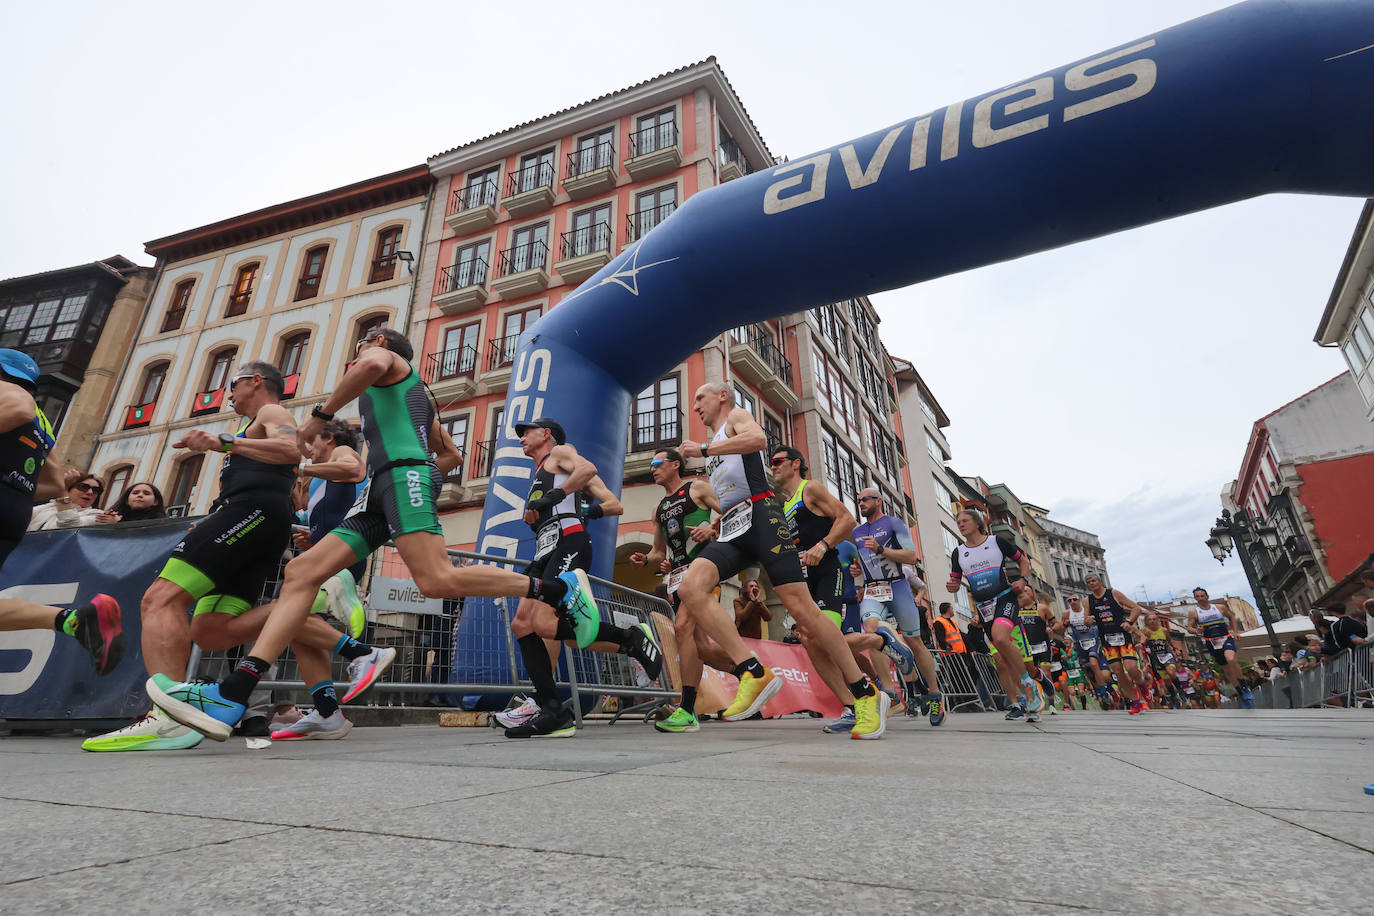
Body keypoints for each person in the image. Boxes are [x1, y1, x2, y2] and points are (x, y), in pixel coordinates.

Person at [146, 331, 602, 743]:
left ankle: (559, 589)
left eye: (361, 344)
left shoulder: (388, 364)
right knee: (303, 571)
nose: (357, 354)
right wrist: (416, 471)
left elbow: (370, 369)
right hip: (383, 489)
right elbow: (452, 453)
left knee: (437, 579)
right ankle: (237, 688)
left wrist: (323, 419)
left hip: (403, 478)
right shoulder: (407, 397)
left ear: (380, 342)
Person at [83, 361, 378, 751]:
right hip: (248, 518)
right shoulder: (249, 428)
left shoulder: (270, 412)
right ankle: (326, 618)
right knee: (212, 630)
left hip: (249, 515)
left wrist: (224, 442)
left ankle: (167, 718)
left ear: (255, 381)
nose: (228, 394)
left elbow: (290, 449)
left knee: (160, 599)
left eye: (233, 384)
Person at [676, 382, 888, 738]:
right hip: (733, 528)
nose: (695, 405)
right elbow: (730, 494)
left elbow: (758, 441)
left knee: (804, 612)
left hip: (763, 519)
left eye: (700, 397)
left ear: (722, 396)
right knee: (690, 588)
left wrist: (702, 448)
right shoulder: (716, 449)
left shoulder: (735, 420)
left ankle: (865, 694)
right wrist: (714, 524)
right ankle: (753, 671)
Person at [501, 417, 658, 739]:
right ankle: (551, 709)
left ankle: (630, 639)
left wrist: (557, 500)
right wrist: (537, 513)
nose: (520, 438)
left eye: (525, 432)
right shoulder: (541, 471)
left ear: (545, 434)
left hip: (568, 542)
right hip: (546, 548)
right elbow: (602, 503)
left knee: (544, 624)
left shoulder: (560, 453)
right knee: (521, 624)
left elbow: (589, 474)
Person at [0, 347, 125, 677]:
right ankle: (74, 621)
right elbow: (56, 484)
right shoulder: (44, 422)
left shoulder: (12, 393)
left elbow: (17, 407)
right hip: (14, 506)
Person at [771, 447, 909, 733]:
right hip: (805, 579)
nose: (772, 467)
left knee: (825, 638)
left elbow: (846, 519)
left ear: (796, 464)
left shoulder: (811, 489)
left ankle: (877, 644)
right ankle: (851, 706)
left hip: (827, 571)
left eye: (777, 461)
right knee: (810, 641)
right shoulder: (784, 507)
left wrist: (823, 546)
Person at [629, 447, 725, 734]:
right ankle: (751, 674)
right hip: (679, 577)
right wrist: (646, 559)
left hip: (704, 569)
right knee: (701, 647)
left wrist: (711, 529)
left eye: (657, 462)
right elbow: (659, 551)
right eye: (651, 464)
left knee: (682, 628)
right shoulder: (659, 508)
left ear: (675, 465)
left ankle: (687, 710)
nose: (653, 467)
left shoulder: (697, 489)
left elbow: (732, 514)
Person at [850, 486, 943, 725]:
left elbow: (911, 557)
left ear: (878, 501)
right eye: (858, 500)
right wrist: (858, 568)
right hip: (872, 588)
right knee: (870, 631)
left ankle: (934, 694)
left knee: (914, 642)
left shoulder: (893, 524)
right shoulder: (857, 532)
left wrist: (882, 549)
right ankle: (890, 693)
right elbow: (865, 559)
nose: (860, 503)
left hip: (898, 586)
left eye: (865, 500)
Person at [947, 507, 1043, 720]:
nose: (961, 524)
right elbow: (955, 580)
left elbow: (1023, 560)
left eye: (965, 520)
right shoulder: (958, 553)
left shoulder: (996, 542)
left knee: (1000, 638)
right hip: (983, 607)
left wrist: (1023, 580)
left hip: (1005, 598)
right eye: (958, 522)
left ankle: (1029, 685)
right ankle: (1020, 701)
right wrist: (953, 586)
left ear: (977, 523)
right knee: (1001, 658)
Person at [294, 417, 369, 640]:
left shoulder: (342, 451)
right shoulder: (319, 477)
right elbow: (328, 518)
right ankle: (350, 662)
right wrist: (311, 539)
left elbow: (352, 467)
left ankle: (365, 653)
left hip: (340, 558)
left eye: (312, 440)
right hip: (327, 554)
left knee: (288, 611)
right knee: (302, 632)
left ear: (329, 438)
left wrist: (302, 468)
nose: (308, 448)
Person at [1084, 574, 1152, 714]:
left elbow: (1136, 608)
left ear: (1100, 581)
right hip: (1107, 639)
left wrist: (1129, 622)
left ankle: (1142, 684)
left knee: (1131, 668)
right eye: (1088, 582)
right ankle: (1135, 702)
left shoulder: (1113, 593)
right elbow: (1086, 621)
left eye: (1094, 580)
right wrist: (1088, 621)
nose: (1091, 583)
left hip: (1122, 636)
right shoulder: (1087, 600)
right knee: (1118, 672)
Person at [1185, 587, 1254, 709]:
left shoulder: (1219, 607)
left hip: (1225, 637)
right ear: (1195, 599)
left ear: (1207, 596)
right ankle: (1240, 692)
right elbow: (1189, 628)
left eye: (1202, 596)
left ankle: (1244, 686)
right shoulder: (1194, 612)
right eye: (1197, 597)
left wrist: (1236, 632)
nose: (1200, 598)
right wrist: (1196, 630)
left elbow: (1232, 617)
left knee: (1231, 658)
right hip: (1211, 643)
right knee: (1227, 670)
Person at [1062, 595, 1112, 706]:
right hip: (1081, 645)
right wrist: (1064, 625)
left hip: (1094, 642)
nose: (1072, 601)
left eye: (1075, 599)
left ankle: (1104, 694)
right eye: (1069, 600)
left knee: (1095, 665)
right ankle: (1106, 691)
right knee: (1092, 673)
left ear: (1079, 600)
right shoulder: (1067, 614)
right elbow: (1061, 629)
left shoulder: (1088, 610)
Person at [27, 472, 120, 530]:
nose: (90, 492)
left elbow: (69, 526)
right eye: (84, 487)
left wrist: (62, 493)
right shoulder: (49, 507)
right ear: (69, 489)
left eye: (96, 490)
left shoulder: (97, 515)